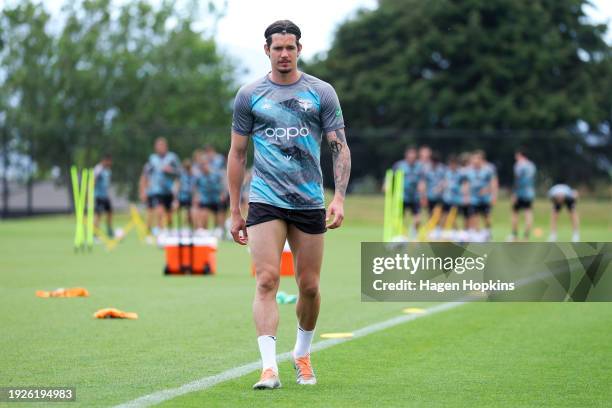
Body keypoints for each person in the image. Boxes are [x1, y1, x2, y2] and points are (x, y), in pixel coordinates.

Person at [227, 20, 351, 390]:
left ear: (299, 49)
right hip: (265, 199)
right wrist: (235, 209)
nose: (284, 54)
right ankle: (268, 368)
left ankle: (301, 354)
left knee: (309, 286)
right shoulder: (249, 95)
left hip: (309, 200)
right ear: (266, 50)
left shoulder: (321, 92)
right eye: (277, 48)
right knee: (266, 280)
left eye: (290, 48)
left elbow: (338, 146)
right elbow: (236, 153)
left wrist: (340, 196)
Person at [139, 137, 180, 236]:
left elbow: (179, 173)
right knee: (159, 211)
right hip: (156, 191)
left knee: (169, 215)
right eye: (157, 146)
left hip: (169, 191)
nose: (159, 147)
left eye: (161, 145)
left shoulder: (172, 158)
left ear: (166, 146)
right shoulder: (152, 159)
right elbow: (145, 175)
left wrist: (170, 170)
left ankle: (169, 232)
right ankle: (160, 232)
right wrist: (143, 190)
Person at [465, 150, 498, 240]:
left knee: (486, 216)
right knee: (474, 216)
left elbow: (493, 183)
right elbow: (466, 183)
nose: (474, 161)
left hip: (485, 198)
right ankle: (477, 235)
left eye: (476, 159)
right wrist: (466, 196)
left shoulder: (488, 170)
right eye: (473, 159)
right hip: (474, 198)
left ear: (481, 160)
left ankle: (488, 231)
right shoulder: (468, 171)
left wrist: (492, 194)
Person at [393, 147, 425, 238]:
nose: (411, 159)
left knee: (418, 219)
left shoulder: (419, 166)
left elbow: (422, 182)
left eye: (413, 157)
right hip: (402, 196)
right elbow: (390, 176)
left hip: (414, 197)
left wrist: (422, 195)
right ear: (406, 156)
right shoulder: (399, 165)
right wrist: (386, 185)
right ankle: (400, 235)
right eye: (410, 157)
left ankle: (413, 232)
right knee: (400, 218)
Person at [510, 149, 536, 241]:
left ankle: (514, 235)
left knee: (515, 214)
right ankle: (526, 236)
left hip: (520, 193)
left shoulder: (519, 165)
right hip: (529, 193)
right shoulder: (532, 165)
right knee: (528, 213)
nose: (515, 158)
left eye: (516, 156)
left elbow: (517, 179)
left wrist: (514, 193)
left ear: (520, 155)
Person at [193, 156, 223, 231]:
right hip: (204, 198)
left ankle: (218, 229)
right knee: (204, 213)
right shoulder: (199, 176)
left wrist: (222, 194)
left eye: (205, 165)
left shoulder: (216, 174)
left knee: (217, 213)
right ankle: (203, 229)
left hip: (215, 197)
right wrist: (196, 196)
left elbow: (221, 184)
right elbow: (195, 187)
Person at [93, 154, 114, 237]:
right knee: (98, 214)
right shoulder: (98, 169)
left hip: (105, 196)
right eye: (108, 161)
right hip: (98, 196)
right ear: (104, 161)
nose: (110, 163)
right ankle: (95, 234)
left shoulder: (108, 171)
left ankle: (109, 230)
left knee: (110, 212)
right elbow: (93, 180)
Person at [176, 159, 195, 230]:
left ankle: (190, 227)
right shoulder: (181, 176)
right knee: (181, 212)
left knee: (190, 213)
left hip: (190, 197)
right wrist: (176, 198)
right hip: (182, 196)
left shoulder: (193, 176)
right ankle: (182, 227)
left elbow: (194, 188)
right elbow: (178, 186)